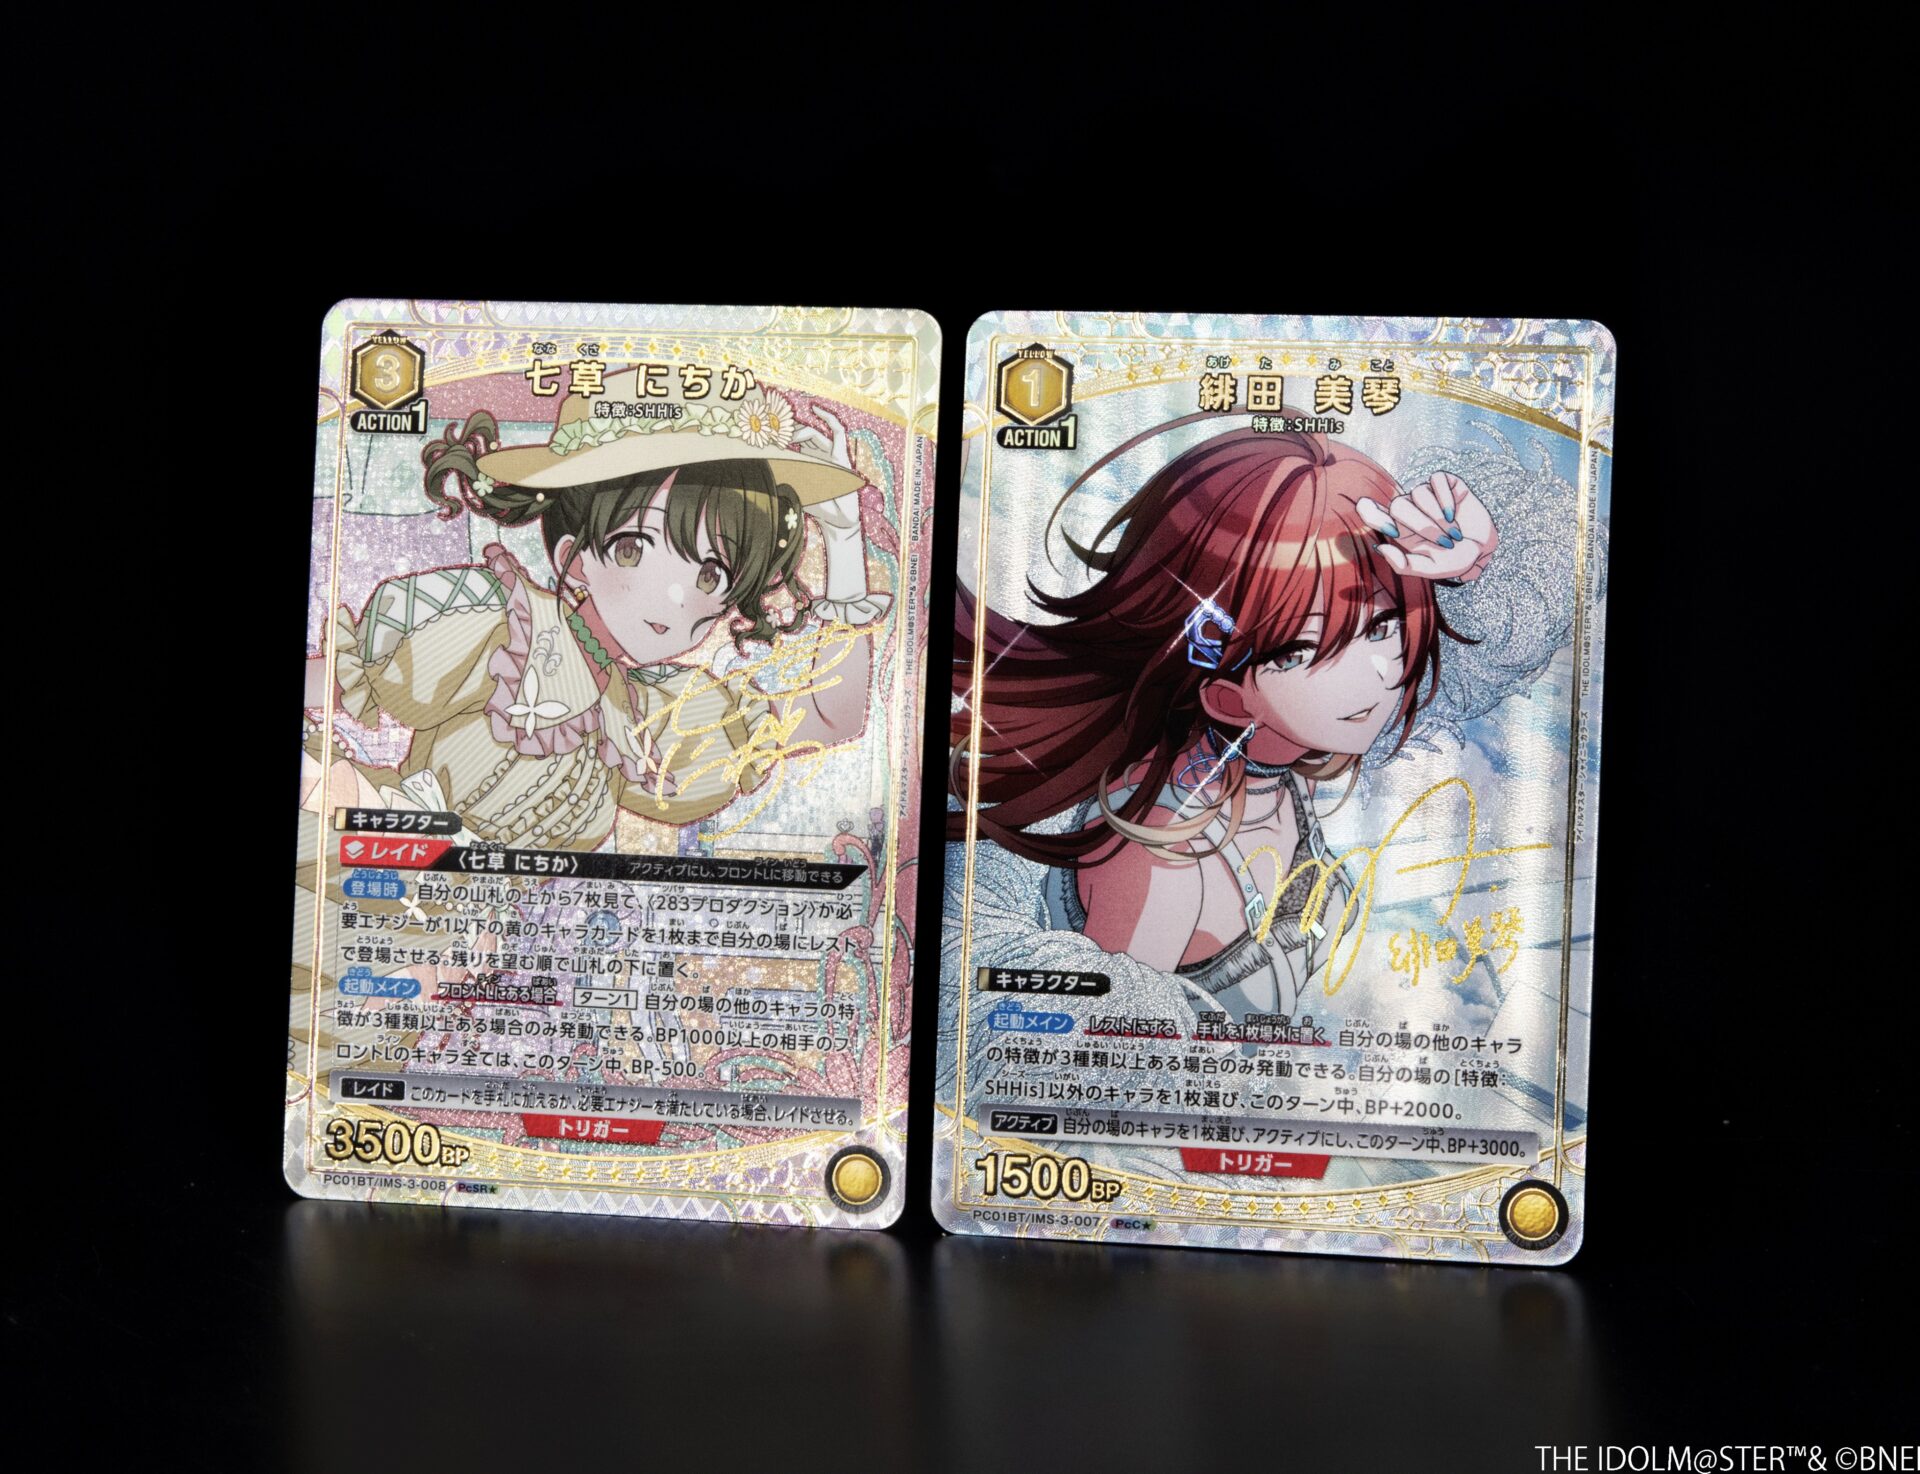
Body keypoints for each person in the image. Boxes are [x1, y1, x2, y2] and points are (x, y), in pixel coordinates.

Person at [950, 417, 1499, 1024]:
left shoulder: (1272, 757)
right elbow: (1107, 1052)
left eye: (1382, 625)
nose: (1372, 673)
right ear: (1221, 691)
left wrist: (1469, 567)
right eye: (1299, 650)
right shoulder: (1166, 855)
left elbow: (1474, 679)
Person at [302, 368, 892, 846]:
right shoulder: (503, 626)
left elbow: (831, 717)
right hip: (361, 864)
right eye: (634, 548)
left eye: (712, 573)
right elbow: (330, 685)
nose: (676, 596)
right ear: (575, 557)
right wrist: (329, 789)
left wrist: (844, 540)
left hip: (466, 938)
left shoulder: (645, 716)